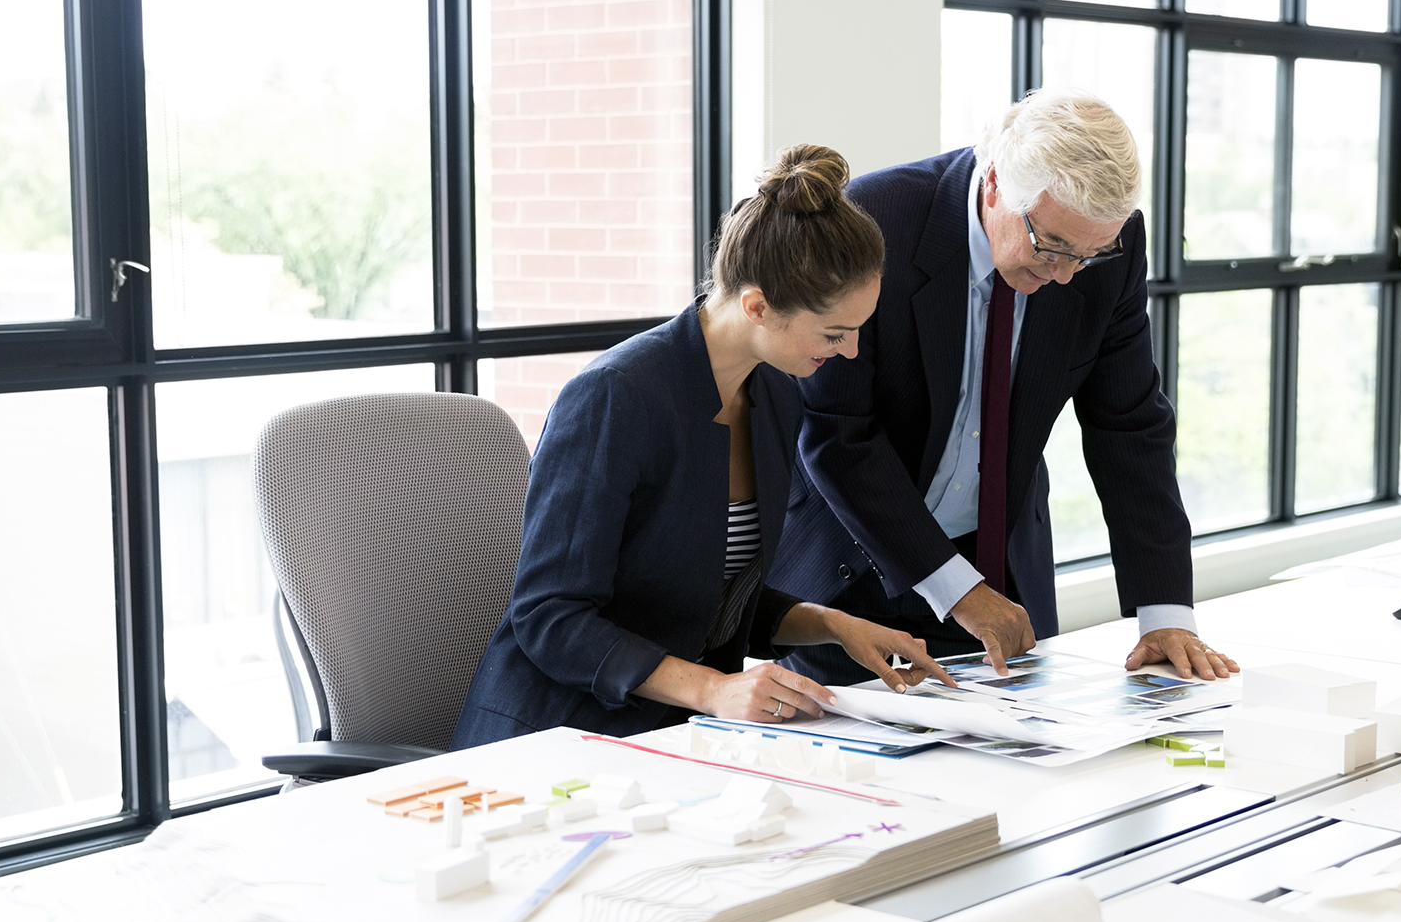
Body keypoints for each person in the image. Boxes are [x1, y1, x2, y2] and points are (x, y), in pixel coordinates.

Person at [452, 145, 955, 749]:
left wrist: (836, 625)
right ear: (757, 305)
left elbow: (704, 594)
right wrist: (714, 690)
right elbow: (551, 620)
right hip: (558, 736)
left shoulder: (773, 395)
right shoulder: (615, 398)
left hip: (673, 736)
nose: (849, 352)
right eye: (834, 333)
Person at [769, 90, 1239, 686]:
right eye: (1053, 246)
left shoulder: (1104, 246)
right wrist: (955, 588)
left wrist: (1164, 612)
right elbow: (836, 432)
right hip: (854, 570)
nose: (1067, 273)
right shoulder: (875, 220)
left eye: (1089, 256)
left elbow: (1130, 425)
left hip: (1002, 573)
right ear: (994, 184)